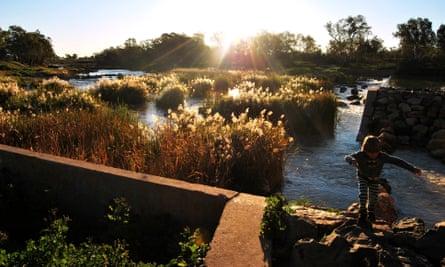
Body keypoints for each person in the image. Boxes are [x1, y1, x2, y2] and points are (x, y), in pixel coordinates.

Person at [345, 135, 422, 226]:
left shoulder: (382, 156)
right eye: (370, 153)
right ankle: (362, 213)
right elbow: (347, 157)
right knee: (363, 194)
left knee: (373, 196)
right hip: (363, 178)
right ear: (364, 150)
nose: (373, 155)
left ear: (379, 151)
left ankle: (371, 212)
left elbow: (398, 161)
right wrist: (352, 160)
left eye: (375, 153)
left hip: (375, 179)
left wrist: (413, 169)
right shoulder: (360, 155)